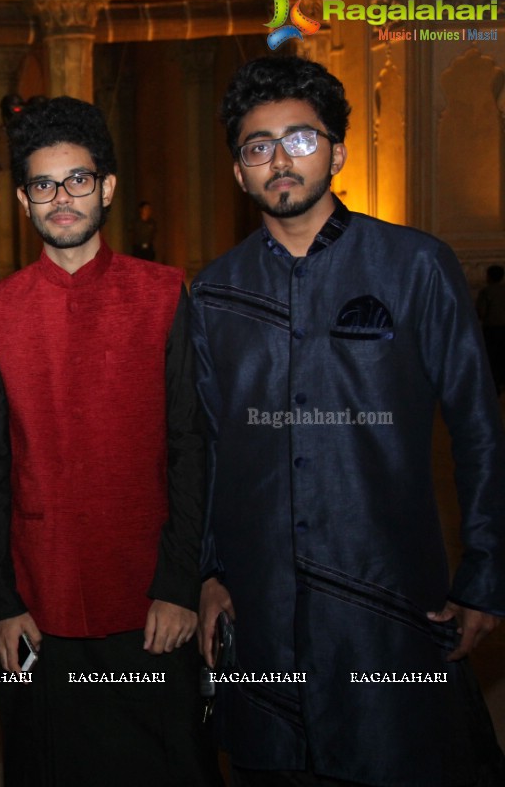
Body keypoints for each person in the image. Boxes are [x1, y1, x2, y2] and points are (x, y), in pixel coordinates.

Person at [193, 56, 505, 787]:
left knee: (402, 757)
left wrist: (487, 572)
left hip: (386, 594)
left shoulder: (416, 267)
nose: (279, 159)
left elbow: (478, 427)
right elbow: (204, 446)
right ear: (239, 171)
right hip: (263, 599)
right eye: (256, 145)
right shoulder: (214, 293)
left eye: (300, 138)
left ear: (336, 149)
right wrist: (207, 570)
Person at [0, 96, 220, 786]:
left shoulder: (165, 294)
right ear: (22, 199)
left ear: (106, 187)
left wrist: (179, 585)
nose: (62, 198)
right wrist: (0, 603)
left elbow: (191, 448)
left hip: (149, 601)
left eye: (78, 180)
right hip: (38, 604)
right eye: (43, 185)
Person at [476, 264, 505, 394]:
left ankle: (495, 385)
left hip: (492, 329)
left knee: (492, 358)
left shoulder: (486, 292)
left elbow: (481, 312)